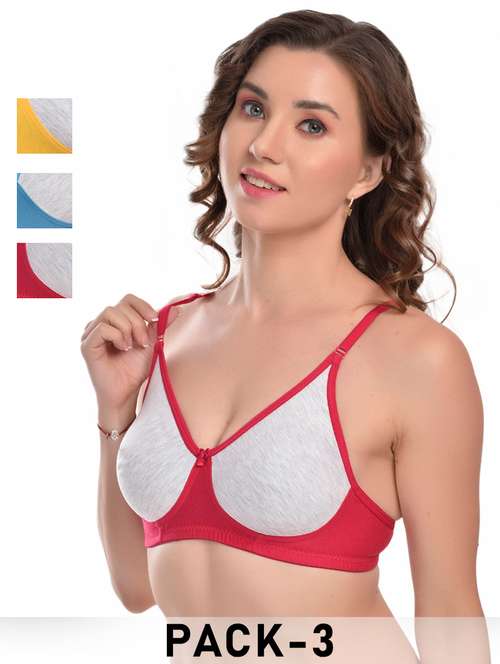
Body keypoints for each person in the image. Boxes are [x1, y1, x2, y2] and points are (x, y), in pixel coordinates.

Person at [81, 9, 488, 659]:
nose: (265, 145)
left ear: (367, 172)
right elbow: (137, 587)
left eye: (312, 125)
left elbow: (449, 609)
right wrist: (115, 416)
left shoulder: (415, 359)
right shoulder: (164, 335)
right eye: (252, 109)